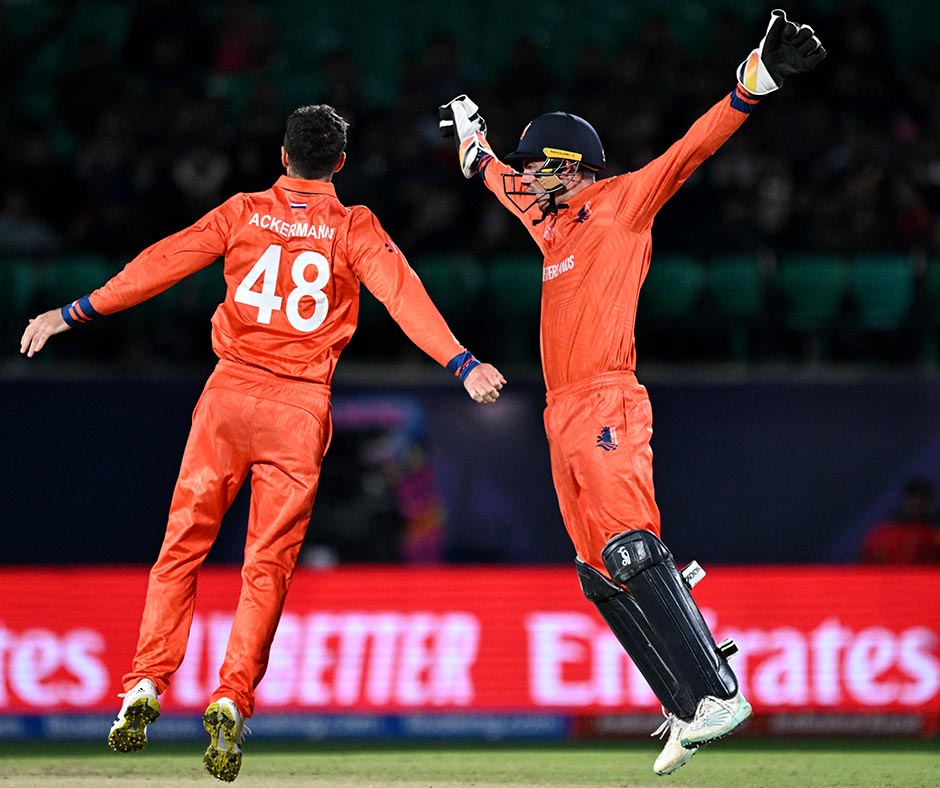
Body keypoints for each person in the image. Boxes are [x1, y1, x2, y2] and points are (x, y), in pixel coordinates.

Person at [20, 103, 506, 783]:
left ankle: (145, 682)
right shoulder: (353, 226)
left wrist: (72, 313)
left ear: (283, 156)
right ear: (340, 163)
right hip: (297, 410)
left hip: (227, 398)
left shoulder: (244, 211)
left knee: (181, 548)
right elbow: (404, 297)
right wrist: (462, 362)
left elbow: (162, 263)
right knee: (266, 566)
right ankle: (230, 697)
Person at [439, 9, 824, 777]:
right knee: (598, 571)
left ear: (570, 165)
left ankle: (717, 691)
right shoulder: (549, 221)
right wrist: (473, 142)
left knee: (629, 544)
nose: (527, 178)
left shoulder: (623, 202)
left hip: (608, 401)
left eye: (537, 166)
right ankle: (682, 702)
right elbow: (493, 177)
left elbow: (692, 149)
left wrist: (757, 81)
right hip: (561, 415)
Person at [860, 478, 940, 564]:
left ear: (930, 503)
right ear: (905, 501)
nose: (917, 503)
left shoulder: (935, 534)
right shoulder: (881, 534)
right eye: (913, 498)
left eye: (922, 498)